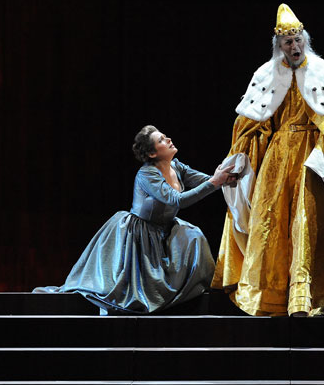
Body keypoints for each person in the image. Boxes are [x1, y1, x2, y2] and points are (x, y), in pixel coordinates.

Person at [211, 3, 324, 317]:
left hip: (312, 158)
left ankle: (304, 298)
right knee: (269, 223)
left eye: (298, 40)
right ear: (280, 45)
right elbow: (250, 122)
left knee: (307, 222)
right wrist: (243, 153)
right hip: (276, 159)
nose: (294, 46)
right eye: (288, 42)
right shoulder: (267, 75)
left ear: (305, 41)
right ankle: (269, 296)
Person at [34, 125, 235, 314]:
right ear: (152, 153)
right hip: (140, 233)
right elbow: (177, 200)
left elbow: (206, 180)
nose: (168, 139)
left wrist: (225, 178)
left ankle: (203, 289)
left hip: (165, 229)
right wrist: (215, 182)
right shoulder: (147, 174)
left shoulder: (176, 166)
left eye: (165, 137)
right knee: (128, 289)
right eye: (161, 140)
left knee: (194, 236)